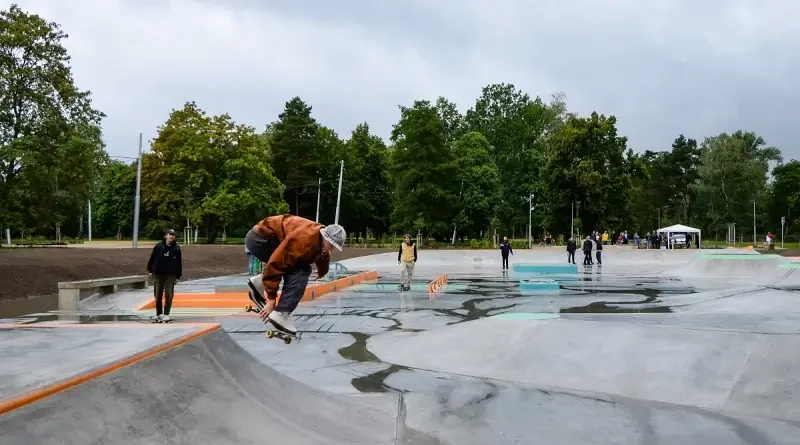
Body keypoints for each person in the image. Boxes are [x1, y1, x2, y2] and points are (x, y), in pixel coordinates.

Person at [245, 214, 346, 334]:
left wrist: (322, 272)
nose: (330, 249)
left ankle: (259, 283)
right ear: (325, 236)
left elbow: (324, 256)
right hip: (260, 240)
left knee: (296, 265)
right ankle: (281, 313)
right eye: (331, 245)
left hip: (268, 238)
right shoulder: (303, 240)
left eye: (334, 247)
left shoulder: (319, 239)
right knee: (301, 270)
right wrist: (271, 299)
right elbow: (277, 264)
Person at [146, 229, 182, 323]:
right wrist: (150, 270)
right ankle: (159, 313)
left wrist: (178, 276)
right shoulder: (159, 246)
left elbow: (179, 263)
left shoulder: (177, 248)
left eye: (173, 235)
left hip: (171, 274)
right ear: (165, 236)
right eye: (170, 234)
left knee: (169, 294)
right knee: (157, 294)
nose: (171, 236)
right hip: (158, 273)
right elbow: (152, 258)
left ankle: (166, 314)